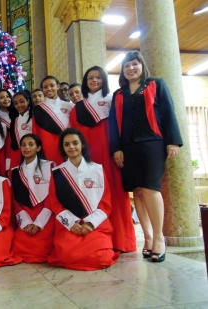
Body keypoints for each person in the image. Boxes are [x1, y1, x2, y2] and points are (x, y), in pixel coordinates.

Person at [109, 51, 183, 262]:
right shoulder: (119, 94)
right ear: (122, 71)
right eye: (126, 66)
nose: (131, 68)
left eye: (134, 64)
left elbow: (168, 112)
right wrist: (116, 149)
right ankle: (148, 238)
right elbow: (113, 125)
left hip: (152, 143)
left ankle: (160, 238)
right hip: (127, 147)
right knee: (138, 191)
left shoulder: (156, 84)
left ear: (141, 65)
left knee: (151, 188)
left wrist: (173, 140)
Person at [70, 66, 136, 253]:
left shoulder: (112, 101)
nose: (94, 80)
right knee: (93, 196)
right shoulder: (78, 108)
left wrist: (119, 150)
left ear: (104, 80)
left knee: (115, 194)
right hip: (88, 159)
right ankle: (96, 240)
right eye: (90, 77)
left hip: (109, 155)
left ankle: (122, 241)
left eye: (99, 77)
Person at [48, 128, 120, 270]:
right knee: (66, 255)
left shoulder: (97, 169)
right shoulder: (57, 173)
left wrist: (90, 223)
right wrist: (71, 223)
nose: (71, 147)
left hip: (96, 225)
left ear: (82, 145)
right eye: (66, 144)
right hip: (69, 225)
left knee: (102, 257)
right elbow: (55, 203)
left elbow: (106, 203)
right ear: (63, 148)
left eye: (75, 143)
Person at [11, 134, 54, 263]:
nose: (26, 148)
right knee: (20, 244)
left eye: (31, 144)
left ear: (38, 147)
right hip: (26, 214)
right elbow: (15, 200)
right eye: (23, 145)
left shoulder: (50, 166)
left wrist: (39, 223)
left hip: (46, 213)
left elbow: (52, 196)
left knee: (44, 245)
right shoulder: (13, 172)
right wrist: (26, 222)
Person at [33, 75, 74, 165]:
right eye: (45, 87)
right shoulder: (38, 110)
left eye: (52, 85)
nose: (49, 89)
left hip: (70, 146)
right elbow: (36, 133)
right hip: (49, 147)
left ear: (58, 86)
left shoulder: (70, 106)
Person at [7, 91, 34, 171]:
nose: (19, 105)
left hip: (33, 153)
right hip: (18, 154)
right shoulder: (14, 121)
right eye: (16, 103)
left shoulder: (34, 116)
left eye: (22, 101)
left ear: (28, 101)